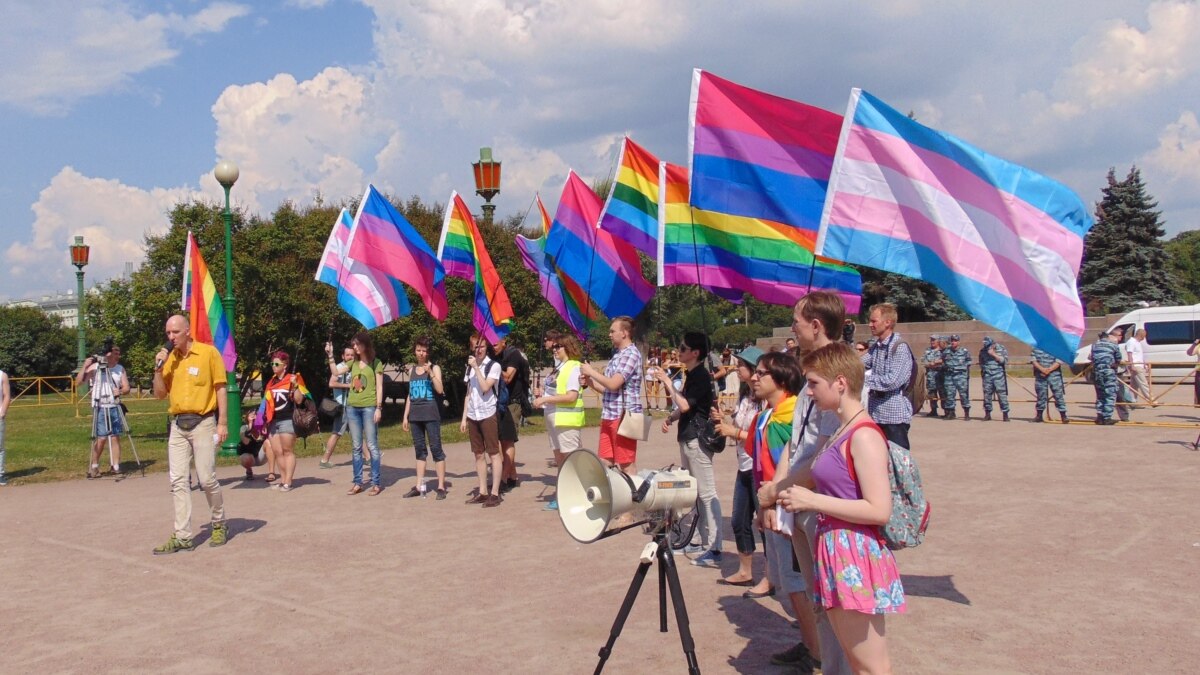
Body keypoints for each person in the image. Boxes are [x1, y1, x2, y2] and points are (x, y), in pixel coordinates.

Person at [780, 343, 906, 674]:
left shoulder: (863, 436)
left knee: (870, 666)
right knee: (857, 661)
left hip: (855, 556)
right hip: (839, 551)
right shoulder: (842, 430)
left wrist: (812, 500)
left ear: (840, 382)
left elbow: (880, 510)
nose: (808, 392)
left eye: (813, 383)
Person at [760, 291, 852, 674]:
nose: (792, 327)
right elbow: (796, 444)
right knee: (818, 599)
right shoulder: (811, 376)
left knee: (835, 604)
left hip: (823, 505)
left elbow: (827, 454)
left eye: (797, 321)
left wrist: (778, 489)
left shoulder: (836, 376)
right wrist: (775, 492)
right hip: (800, 503)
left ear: (816, 326)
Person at [749, 351, 825, 673]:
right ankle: (810, 645)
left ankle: (817, 653)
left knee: (796, 583)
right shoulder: (772, 413)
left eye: (761, 373)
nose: (754, 377)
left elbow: (789, 461)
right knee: (789, 582)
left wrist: (771, 501)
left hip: (783, 505)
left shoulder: (788, 414)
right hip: (773, 501)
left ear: (780, 379)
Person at [151, 315, 227, 554]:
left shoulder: (208, 354)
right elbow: (159, 395)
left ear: (187, 331)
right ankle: (183, 535)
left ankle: (219, 522)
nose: (170, 337)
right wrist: (157, 368)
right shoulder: (170, 359)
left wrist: (222, 422)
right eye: (168, 333)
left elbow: (220, 388)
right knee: (178, 482)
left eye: (175, 332)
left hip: (203, 422)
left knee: (206, 479)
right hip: (177, 425)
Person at [654, 332, 722, 568]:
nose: (679, 352)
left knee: (706, 493)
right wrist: (671, 418)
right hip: (687, 437)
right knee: (693, 492)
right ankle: (695, 538)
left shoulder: (701, 376)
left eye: (683, 348)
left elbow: (684, 404)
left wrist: (665, 381)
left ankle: (714, 546)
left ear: (695, 353)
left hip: (697, 440)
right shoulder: (691, 374)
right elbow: (684, 407)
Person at [711, 346, 767, 592]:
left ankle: (771, 575)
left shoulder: (766, 400)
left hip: (760, 467)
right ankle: (745, 571)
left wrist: (734, 432)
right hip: (743, 465)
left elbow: (764, 436)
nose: (737, 368)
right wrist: (722, 419)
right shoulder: (744, 396)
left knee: (765, 523)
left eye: (742, 365)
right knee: (739, 520)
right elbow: (739, 425)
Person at [580, 316, 644, 475]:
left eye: (612, 331)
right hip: (610, 413)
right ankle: (612, 496)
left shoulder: (631, 354)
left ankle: (633, 496)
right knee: (605, 460)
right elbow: (609, 390)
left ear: (624, 333)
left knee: (625, 463)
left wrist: (592, 372)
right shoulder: (617, 355)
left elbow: (614, 383)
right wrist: (590, 382)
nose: (609, 334)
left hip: (623, 415)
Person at [532, 334, 584, 512]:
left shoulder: (574, 367)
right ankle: (563, 493)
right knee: (560, 460)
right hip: (553, 417)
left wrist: (547, 398)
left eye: (558, 347)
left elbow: (571, 396)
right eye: (554, 347)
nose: (554, 350)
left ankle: (578, 495)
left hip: (567, 419)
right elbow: (555, 389)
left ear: (567, 347)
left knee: (571, 460)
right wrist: (542, 392)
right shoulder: (557, 368)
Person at [862, 303, 914, 448]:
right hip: (876, 415)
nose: (870, 324)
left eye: (874, 321)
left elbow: (892, 381)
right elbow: (859, 364)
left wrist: (863, 379)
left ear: (887, 322)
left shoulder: (900, 347)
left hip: (894, 418)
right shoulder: (877, 347)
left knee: (897, 463)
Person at [461, 334, 504, 507]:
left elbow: (486, 387)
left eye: (482, 346)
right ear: (472, 347)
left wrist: (477, 369)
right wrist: (464, 417)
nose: (479, 350)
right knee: (478, 454)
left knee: (493, 452)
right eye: (475, 346)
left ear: (487, 347)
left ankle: (495, 493)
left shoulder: (494, 366)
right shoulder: (469, 367)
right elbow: (469, 393)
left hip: (488, 413)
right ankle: (482, 491)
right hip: (473, 414)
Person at [75, 345, 131, 478]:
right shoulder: (95, 368)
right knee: (101, 438)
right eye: (115, 353)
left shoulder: (119, 369)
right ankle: (94, 466)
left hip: (114, 405)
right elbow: (78, 382)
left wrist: (121, 391)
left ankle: (115, 465)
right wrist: (85, 366)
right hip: (100, 406)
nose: (117, 356)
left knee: (115, 436)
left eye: (118, 353)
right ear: (108, 354)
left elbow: (127, 388)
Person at [402, 336, 446, 499]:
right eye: (418, 350)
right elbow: (410, 394)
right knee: (420, 451)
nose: (421, 353)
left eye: (424, 350)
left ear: (428, 352)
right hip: (415, 415)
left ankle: (441, 487)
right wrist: (405, 416)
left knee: (436, 449)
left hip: (431, 415)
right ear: (415, 351)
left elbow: (440, 389)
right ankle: (420, 485)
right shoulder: (412, 369)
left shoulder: (434, 368)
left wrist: (430, 373)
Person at [346, 331, 384, 495]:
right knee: (356, 447)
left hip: (369, 407)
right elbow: (335, 372)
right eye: (353, 345)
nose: (354, 347)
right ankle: (358, 482)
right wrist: (330, 355)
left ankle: (376, 482)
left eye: (356, 344)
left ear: (365, 344)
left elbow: (380, 387)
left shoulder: (376, 363)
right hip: (352, 407)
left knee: (372, 446)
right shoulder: (352, 363)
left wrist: (379, 407)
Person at [263, 351, 308, 492]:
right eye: (272, 364)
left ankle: (288, 481)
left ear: (285, 365)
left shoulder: (293, 378)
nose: (273, 366)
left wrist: (295, 386)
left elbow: (300, 400)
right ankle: (282, 480)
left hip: (288, 419)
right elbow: (266, 403)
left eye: (277, 364)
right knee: (277, 451)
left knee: (287, 450)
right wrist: (263, 420)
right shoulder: (272, 381)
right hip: (273, 420)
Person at [495, 335, 527, 494]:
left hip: (513, 402)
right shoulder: (497, 356)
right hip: (500, 403)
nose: (493, 347)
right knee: (501, 440)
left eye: (495, 344)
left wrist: (492, 367)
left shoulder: (512, 354)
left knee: (508, 440)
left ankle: (503, 478)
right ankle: (512, 476)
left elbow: (507, 378)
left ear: (504, 342)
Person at [318, 343, 355, 470]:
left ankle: (368, 458)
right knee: (337, 432)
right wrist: (348, 386)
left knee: (357, 432)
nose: (350, 357)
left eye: (352, 355)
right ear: (343, 356)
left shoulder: (354, 367)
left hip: (352, 404)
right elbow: (332, 383)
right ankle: (324, 459)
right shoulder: (339, 367)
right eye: (348, 355)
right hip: (342, 405)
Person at [1090, 330, 1122, 425]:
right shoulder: (1113, 345)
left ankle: (1099, 416)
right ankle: (1107, 417)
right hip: (1108, 372)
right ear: (1108, 337)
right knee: (1110, 394)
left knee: (1100, 395)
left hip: (1097, 372)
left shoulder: (1094, 346)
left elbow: (1092, 358)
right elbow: (1118, 359)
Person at [1030, 346, 1069, 423]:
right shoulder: (1036, 348)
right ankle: (1039, 416)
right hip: (1040, 375)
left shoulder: (1056, 347)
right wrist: (1042, 369)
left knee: (1058, 395)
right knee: (1041, 395)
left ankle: (1063, 416)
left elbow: (1059, 361)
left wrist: (1049, 370)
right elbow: (1033, 361)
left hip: (1054, 375)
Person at [978, 337, 1010, 422]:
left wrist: (993, 354)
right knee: (987, 395)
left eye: (987, 344)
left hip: (998, 375)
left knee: (1002, 395)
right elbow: (981, 362)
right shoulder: (982, 351)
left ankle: (1005, 414)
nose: (986, 346)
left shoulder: (1001, 348)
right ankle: (987, 413)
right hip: (987, 375)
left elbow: (1005, 361)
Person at [941, 334, 972, 420]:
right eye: (952, 341)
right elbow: (943, 360)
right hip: (949, 376)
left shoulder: (964, 351)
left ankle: (966, 413)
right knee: (950, 395)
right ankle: (951, 413)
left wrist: (961, 367)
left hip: (960, 376)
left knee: (963, 395)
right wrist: (945, 366)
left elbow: (969, 362)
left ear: (959, 342)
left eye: (955, 341)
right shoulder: (946, 351)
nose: (953, 342)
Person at [237, 410, 265, 481]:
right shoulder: (243, 428)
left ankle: (272, 472)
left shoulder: (262, 426)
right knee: (245, 457)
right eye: (251, 415)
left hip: (261, 454)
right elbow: (245, 442)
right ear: (247, 417)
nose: (253, 416)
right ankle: (249, 470)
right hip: (250, 454)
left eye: (255, 414)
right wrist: (250, 425)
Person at [1125, 328, 1150, 404]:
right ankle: (1151, 399)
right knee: (1143, 383)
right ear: (1141, 335)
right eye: (1144, 336)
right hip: (1136, 366)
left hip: (1139, 365)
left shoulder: (1138, 343)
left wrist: (1144, 364)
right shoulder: (1131, 342)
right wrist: (1131, 365)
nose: (1144, 338)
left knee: (1134, 386)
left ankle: (1132, 401)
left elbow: (1140, 355)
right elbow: (1130, 354)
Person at [922, 336, 945, 418]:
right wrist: (930, 364)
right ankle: (933, 410)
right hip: (930, 376)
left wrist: (936, 363)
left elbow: (946, 360)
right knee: (932, 393)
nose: (932, 342)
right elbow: (923, 361)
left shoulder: (943, 351)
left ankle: (946, 411)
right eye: (931, 340)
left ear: (938, 341)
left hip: (940, 375)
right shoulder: (928, 351)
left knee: (943, 393)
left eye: (934, 340)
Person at [0, 367, 10, 486]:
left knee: (0, 447)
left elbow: (7, 395)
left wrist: (2, 412)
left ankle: (0, 474)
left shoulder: (2, 375)